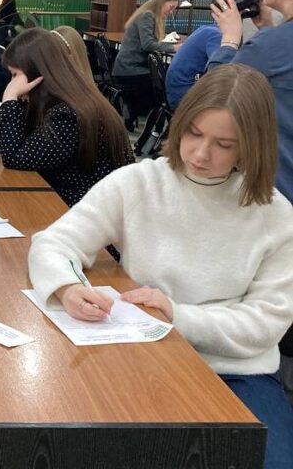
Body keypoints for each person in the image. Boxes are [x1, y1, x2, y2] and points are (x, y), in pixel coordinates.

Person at [28, 64, 293, 469]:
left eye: (224, 144)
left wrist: (176, 315)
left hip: (238, 372)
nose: (200, 154)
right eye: (194, 133)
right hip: (143, 355)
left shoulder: (275, 214)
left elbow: (265, 324)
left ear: (251, 146)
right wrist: (67, 287)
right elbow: (53, 242)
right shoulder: (140, 182)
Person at [0, 28, 133, 209]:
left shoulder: (68, 114)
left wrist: (9, 97)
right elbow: (25, 136)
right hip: (70, 205)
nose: (12, 83)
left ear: (37, 73)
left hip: (84, 213)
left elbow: (15, 157)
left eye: (15, 75)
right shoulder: (56, 102)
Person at [207, 0, 293, 203]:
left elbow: (214, 95)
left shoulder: (272, 45)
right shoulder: (274, 43)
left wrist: (230, 38)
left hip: (279, 191)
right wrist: (267, 28)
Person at [112, 0, 180, 128]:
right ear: (162, 2)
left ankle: (144, 115)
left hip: (125, 68)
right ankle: (162, 123)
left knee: (161, 78)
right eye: (171, 7)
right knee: (164, 82)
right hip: (130, 70)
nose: (171, 12)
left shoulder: (146, 14)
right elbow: (147, 44)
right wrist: (174, 48)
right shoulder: (147, 16)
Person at [165, 24, 222, 109]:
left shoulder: (206, 29)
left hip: (174, 92)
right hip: (182, 98)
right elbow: (220, 73)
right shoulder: (216, 35)